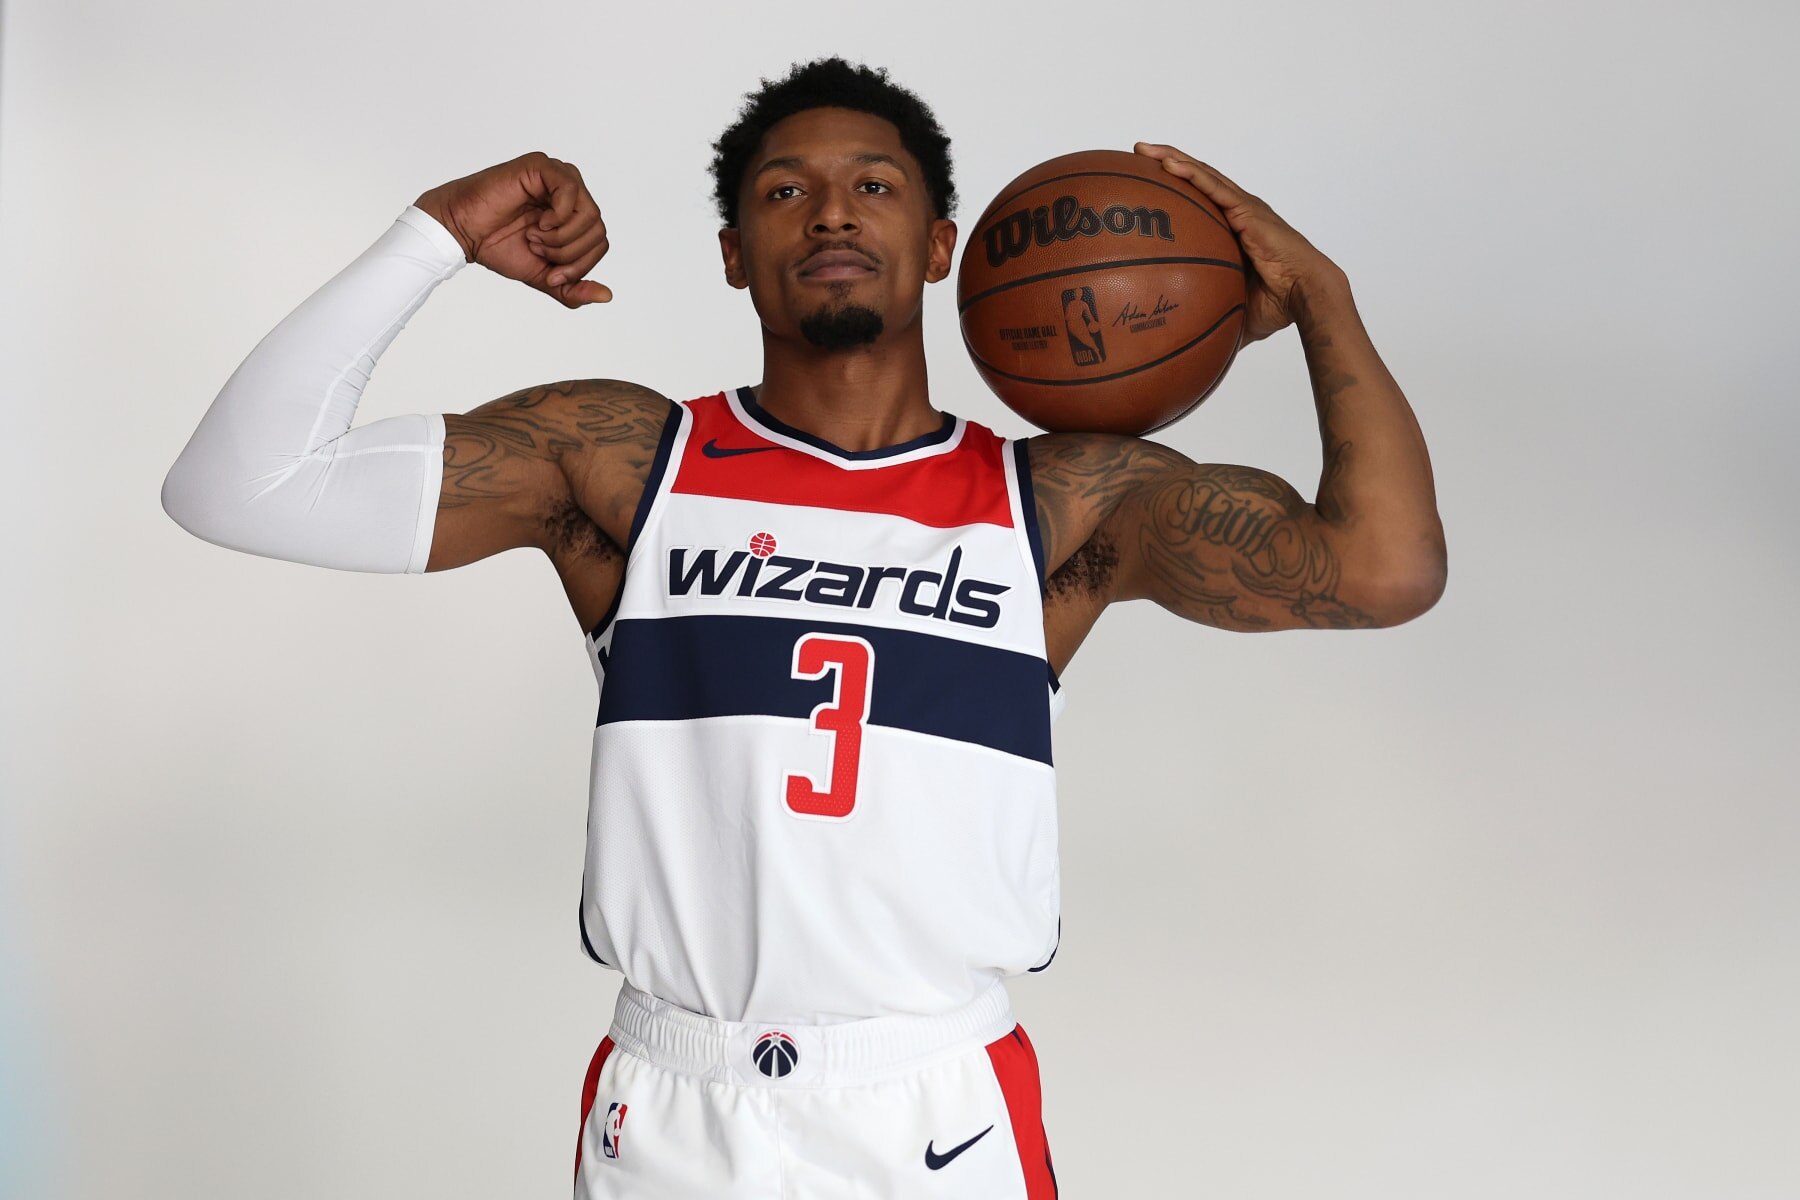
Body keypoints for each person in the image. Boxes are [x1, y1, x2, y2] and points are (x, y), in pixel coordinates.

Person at [161, 56, 1444, 1200]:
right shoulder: (623, 460)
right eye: (786, 192)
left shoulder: (1059, 500)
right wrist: (433, 234)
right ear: (733, 252)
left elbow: (1384, 570)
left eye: (873, 185)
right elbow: (236, 485)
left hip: (936, 1107)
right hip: (679, 1103)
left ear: (942, 245)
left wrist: (1322, 296)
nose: (831, 212)